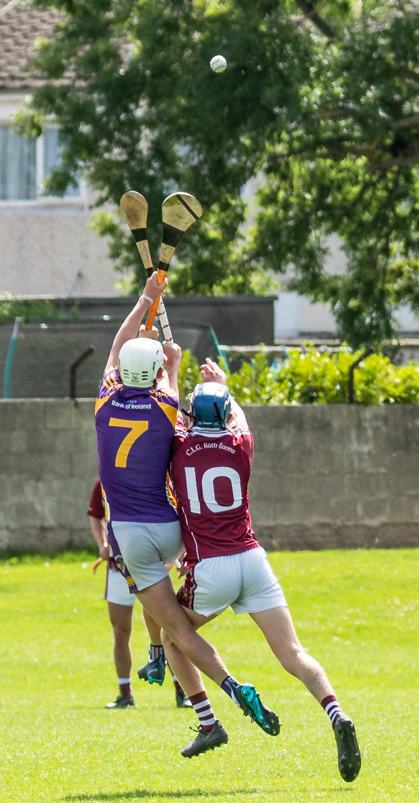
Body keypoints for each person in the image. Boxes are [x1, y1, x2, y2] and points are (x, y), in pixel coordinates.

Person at [95, 272, 279, 758]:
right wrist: (171, 358)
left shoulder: (104, 402)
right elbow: (165, 370)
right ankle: (172, 676)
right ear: (157, 372)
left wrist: (145, 301)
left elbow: (117, 348)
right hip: (173, 528)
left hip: (131, 535)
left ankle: (226, 687)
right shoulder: (167, 405)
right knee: (172, 607)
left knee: (172, 622)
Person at [163, 358, 362, 781]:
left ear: (193, 415)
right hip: (253, 560)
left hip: (211, 567)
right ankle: (336, 713)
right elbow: (238, 415)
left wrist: (173, 369)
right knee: (293, 653)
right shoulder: (240, 445)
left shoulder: (178, 448)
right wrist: (223, 385)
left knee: (172, 635)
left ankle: (208, 720)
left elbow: (172, 410)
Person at [87, 478, 191, 708]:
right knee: (120, 630)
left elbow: (178, 512)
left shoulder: (156, 477)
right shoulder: (106, 479)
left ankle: (182, 691)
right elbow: (96, 514)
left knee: (169, 628)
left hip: (152, 565)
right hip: (118, 565)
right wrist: (102, 543)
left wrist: (174, 554)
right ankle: (125, 694)